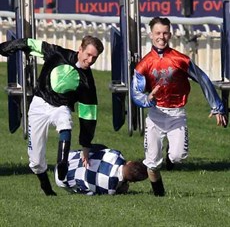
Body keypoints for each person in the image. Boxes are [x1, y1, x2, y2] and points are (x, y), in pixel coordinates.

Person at [131, 17, 227, 197]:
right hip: (155, 114)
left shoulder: (180, 59)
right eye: (158, 33)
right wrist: (148, 98)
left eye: (165, 33)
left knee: (178, 157)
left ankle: (170, 155)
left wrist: (217, 107)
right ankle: (159, 196)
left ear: (170, 34)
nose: (162, 37)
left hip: (177, 114)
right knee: (152, 163)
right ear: (151, 35)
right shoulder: (143, 65)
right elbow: (135, 93)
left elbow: (203, 79)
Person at [0, 35, 104, 196]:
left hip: (60, 107)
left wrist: (85, 145)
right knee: (35, 161)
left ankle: (62, 162)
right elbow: (31, 44)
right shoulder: (58, 53)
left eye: (94, 58)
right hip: (39, 104)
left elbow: (88, 116)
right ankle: (46, 188)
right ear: (80, 50)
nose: (90, 60)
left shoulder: (87, 82)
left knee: (65, 122)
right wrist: (8, 46)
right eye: (88, 55)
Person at [55, 144, 148, 195]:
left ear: (129, 162)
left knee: (101, 149)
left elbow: (100, 147)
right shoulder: (111, 189)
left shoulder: (116, 154)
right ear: (132, 182)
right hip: (61, 181)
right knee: (90, 190)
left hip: (65, 159)